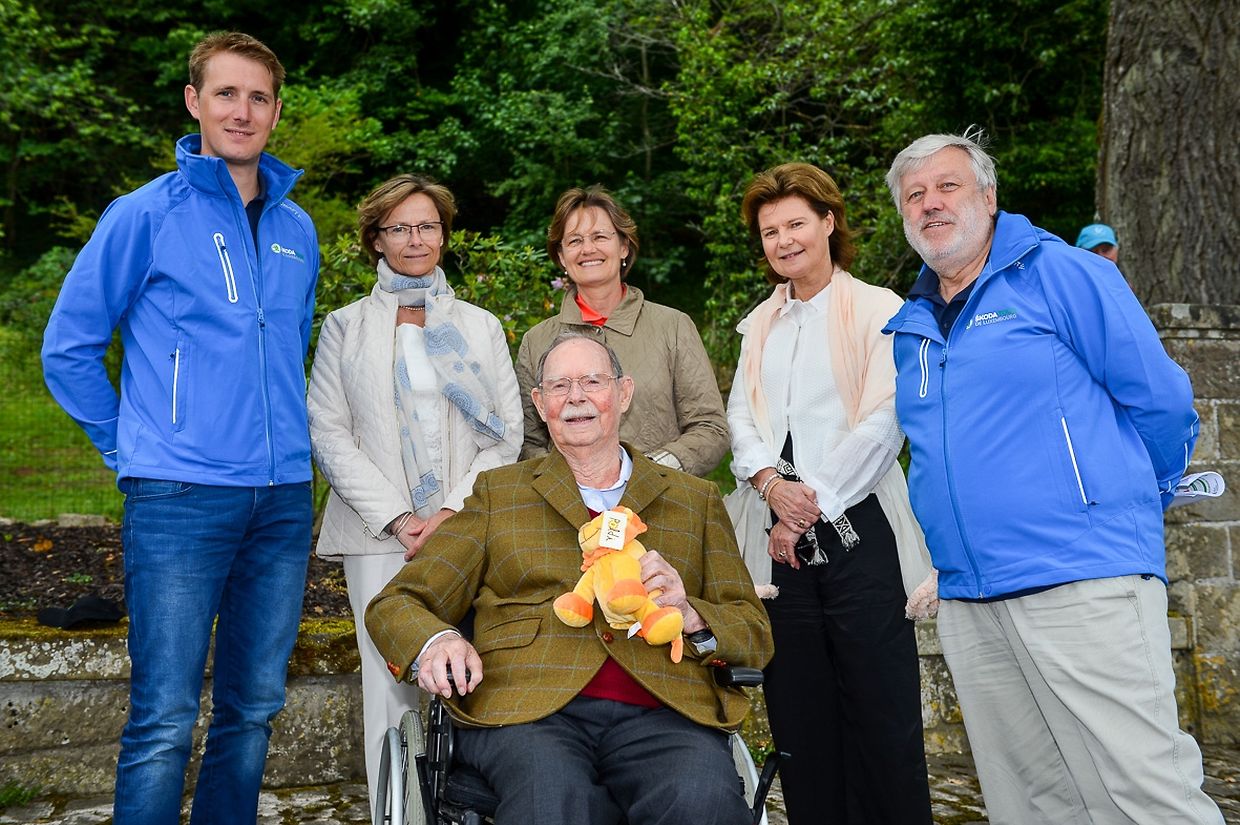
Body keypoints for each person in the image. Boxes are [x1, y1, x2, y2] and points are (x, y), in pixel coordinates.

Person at [882, 131, 1223, 825]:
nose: (930, 204)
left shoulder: (1065, 274)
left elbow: (1162, 402)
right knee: (1030, 804)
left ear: (988, 195)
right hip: (972, 600)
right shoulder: (911, 326)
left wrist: (1121, 502)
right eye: (914, 195)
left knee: (1144, 794)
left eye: (946, 186)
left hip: (1083, 578)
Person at [40, 32, 319, 825]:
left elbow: (286, 352)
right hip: (179, 498)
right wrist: (128, 445)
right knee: (163, 715)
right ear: (193, 102)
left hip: (282, 498)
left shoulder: (298, 229)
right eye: (225, 93)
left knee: (255, 705)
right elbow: (67, 348)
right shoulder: (144, 215)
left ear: (274, 111)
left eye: (259, 96)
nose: (243, 110)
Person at [366, 331, 773, 825]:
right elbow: (399, 601)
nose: (576, 396)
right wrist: (436, 640)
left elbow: (752, 631)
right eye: (559, 386)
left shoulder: (694, 499)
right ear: (540, 404)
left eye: (592, 382)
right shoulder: (499, 493)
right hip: (526, 710)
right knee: (550, 803)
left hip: (664, 709)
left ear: (623, 393)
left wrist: (691, 615)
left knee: (702, 801)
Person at [725, 162, 933, 825]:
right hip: (781, 547)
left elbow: (882, 421)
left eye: (795, 224)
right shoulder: (759, 323)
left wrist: (804, 504)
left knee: (881, 708)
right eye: (769, 231)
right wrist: (768, 485)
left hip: (859, 527)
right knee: (801, 716)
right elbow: (740, 418)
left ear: (828, 222)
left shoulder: (879, 309)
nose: (784, 240)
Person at [306, 174, 522, 810]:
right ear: (375, 239)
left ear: (444, 235)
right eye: (398, 227)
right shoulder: (345, 328)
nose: (414, 238)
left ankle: (468, 808)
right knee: (391, 683)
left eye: (427, 225)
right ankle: (395, 813)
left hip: (469, 531)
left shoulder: (481, 326)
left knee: (474, 676)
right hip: (380, 537)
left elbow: (506, 433)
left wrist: (451, 510)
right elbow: (329, 432)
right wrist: (402, 519)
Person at [516, 185, 728, 477]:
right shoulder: (536, 341)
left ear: (624, 246)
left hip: (661, 503)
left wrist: (648, 474)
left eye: (600, 237)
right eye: (574, 241)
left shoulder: (673, 327)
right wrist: (572, 482)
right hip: (567, 513)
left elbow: (710, 427)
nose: (588, 249)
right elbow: (529, 440)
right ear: (562, 256)